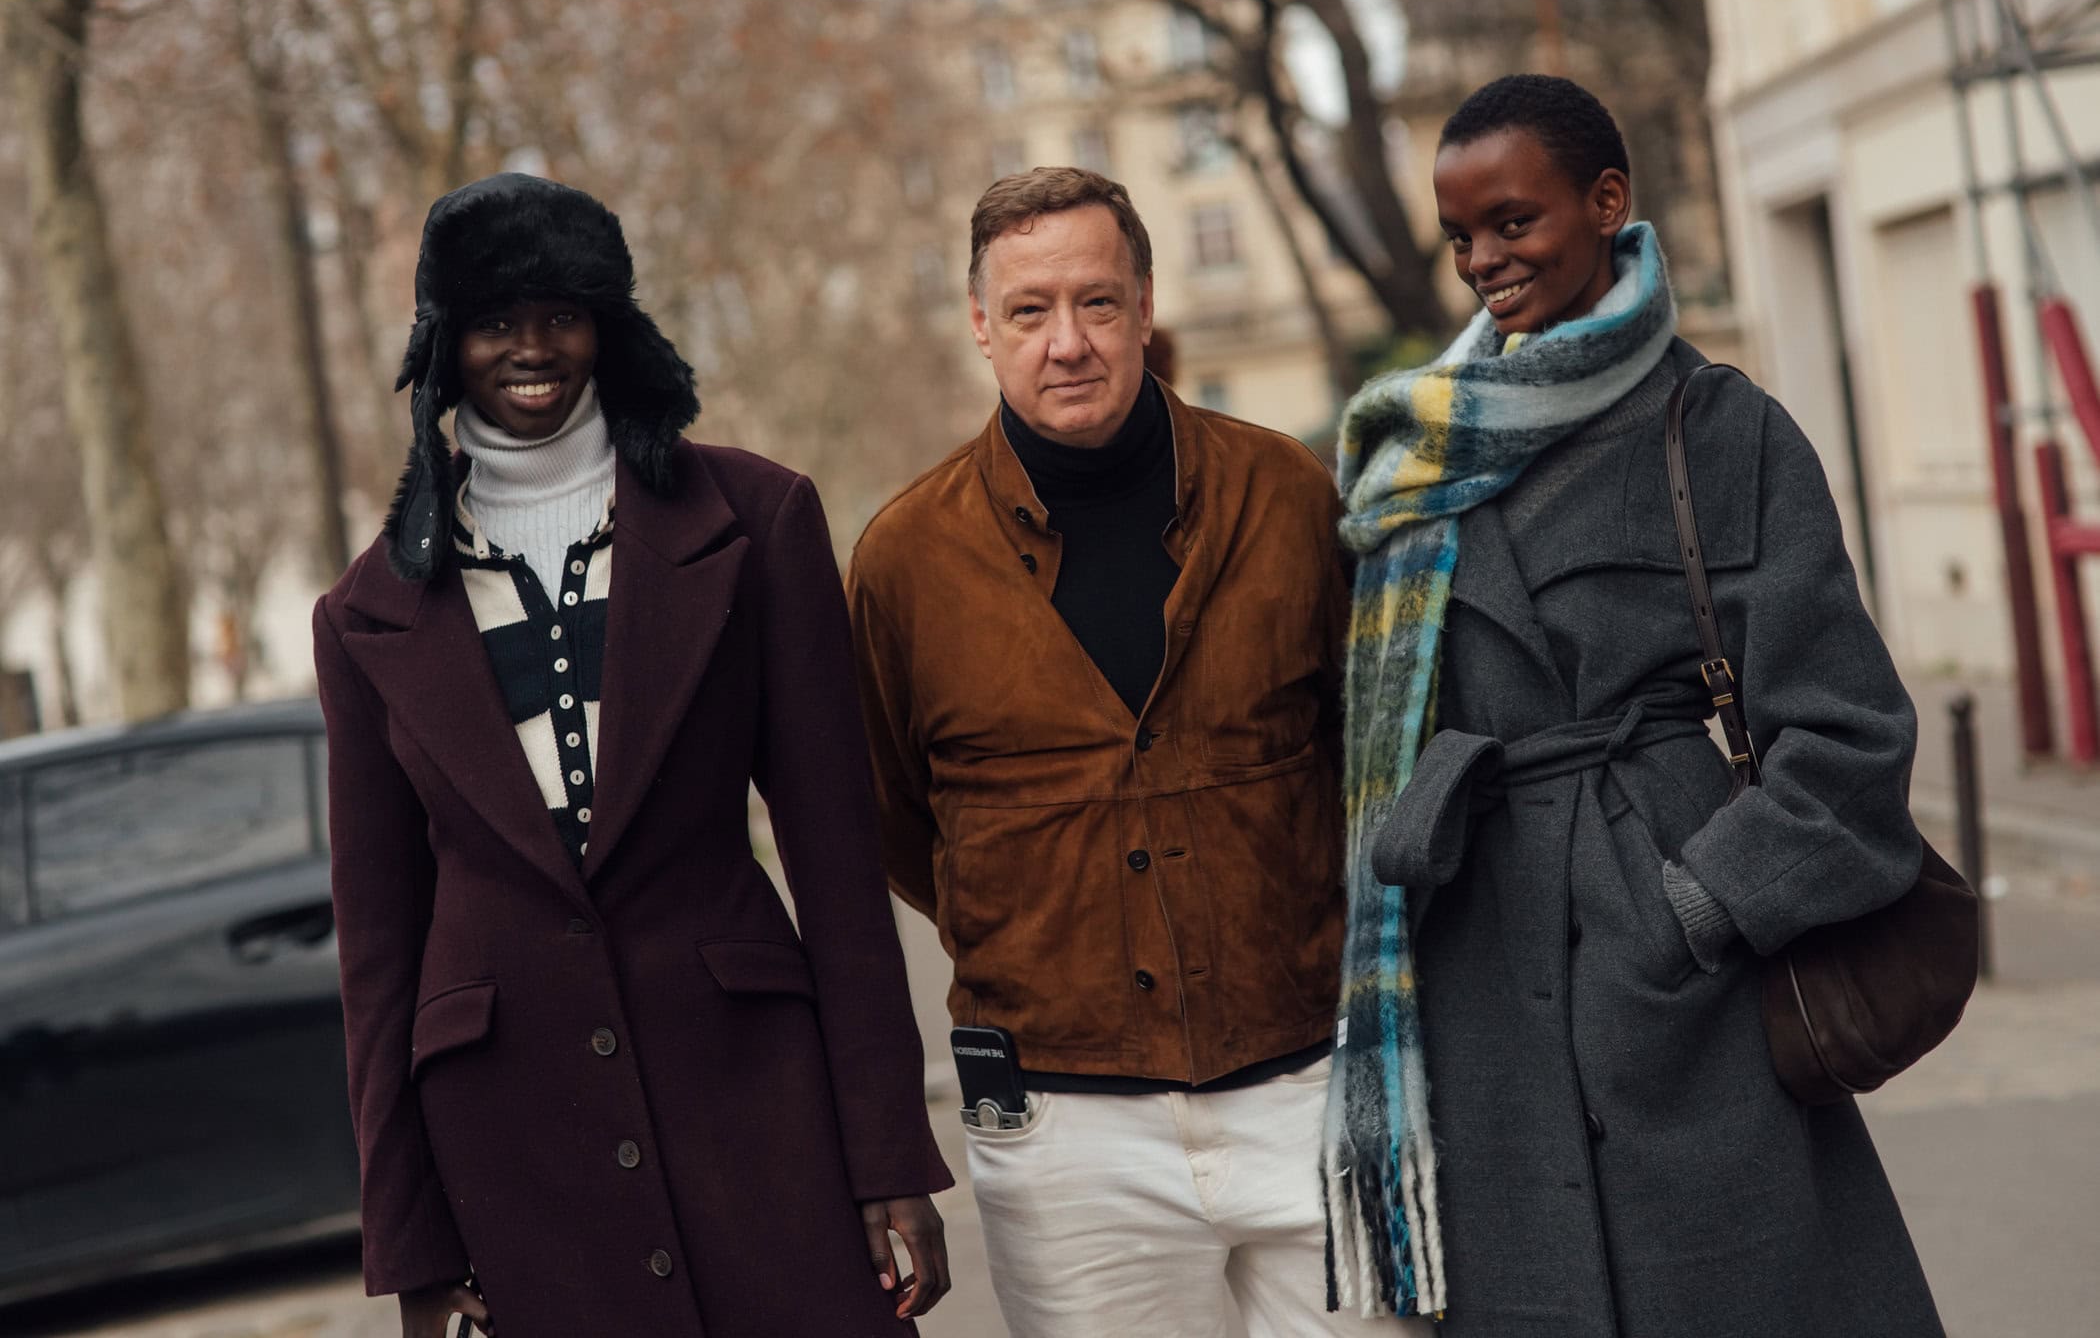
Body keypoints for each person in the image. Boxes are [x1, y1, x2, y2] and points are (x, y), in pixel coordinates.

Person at [1334, 74, 1944, 1335]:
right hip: (1484, 979)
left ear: (1608, 201)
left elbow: (1851, 735)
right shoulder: (1418, 457)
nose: (1482, 260)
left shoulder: (1719, 430)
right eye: (1460, 237)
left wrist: (1692, 905)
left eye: (1512, 221)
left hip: (1691, 996)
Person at [314, 173, 952, 1338]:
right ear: (446, 347)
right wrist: (416, 1247)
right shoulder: (363, 615)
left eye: (560, 311)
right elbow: (379, 961)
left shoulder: (758, 520)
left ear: (607, 322)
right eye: (496, 322)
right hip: (517, 1154)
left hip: (756, 1112)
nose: (532, 347)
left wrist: (888, 1154)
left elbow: (841, 867)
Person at [847, 166, 1426, 1336]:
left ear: (1146, 304)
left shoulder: (1287, 492)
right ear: (979, 325)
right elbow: (897, 820)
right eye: (1029, 309)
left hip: (1309, 1079)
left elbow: (1364, 751)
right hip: (1067, 1135)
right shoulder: (906, 560)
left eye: (1098, 302)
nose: (1068, 341)